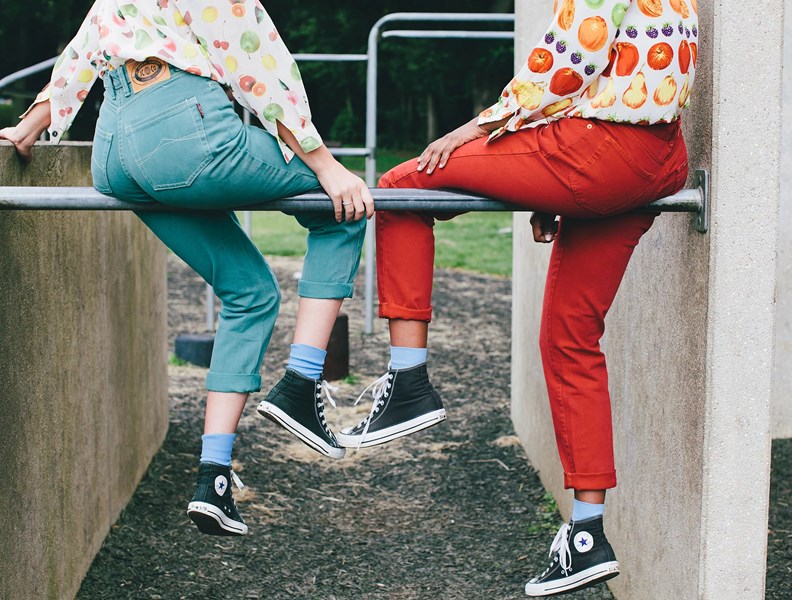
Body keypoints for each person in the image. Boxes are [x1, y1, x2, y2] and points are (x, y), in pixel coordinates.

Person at [338, 0, 698, 596]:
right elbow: (625, 68)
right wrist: (554, 188)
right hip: (658, 156)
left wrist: (480, 126)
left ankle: (408, 381)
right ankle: (587, 535)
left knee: (403, 186)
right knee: (569, 338)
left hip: (602, 150)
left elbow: (569, 58)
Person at [1, 0, 374, 538]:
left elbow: (81, 56)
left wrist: (26, 129)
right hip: (184, 132)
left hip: (115, 157)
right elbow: (261, 67)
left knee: (250, 293)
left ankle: (213, 480)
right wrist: (326, 165)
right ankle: (301, 383)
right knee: (343, 207)